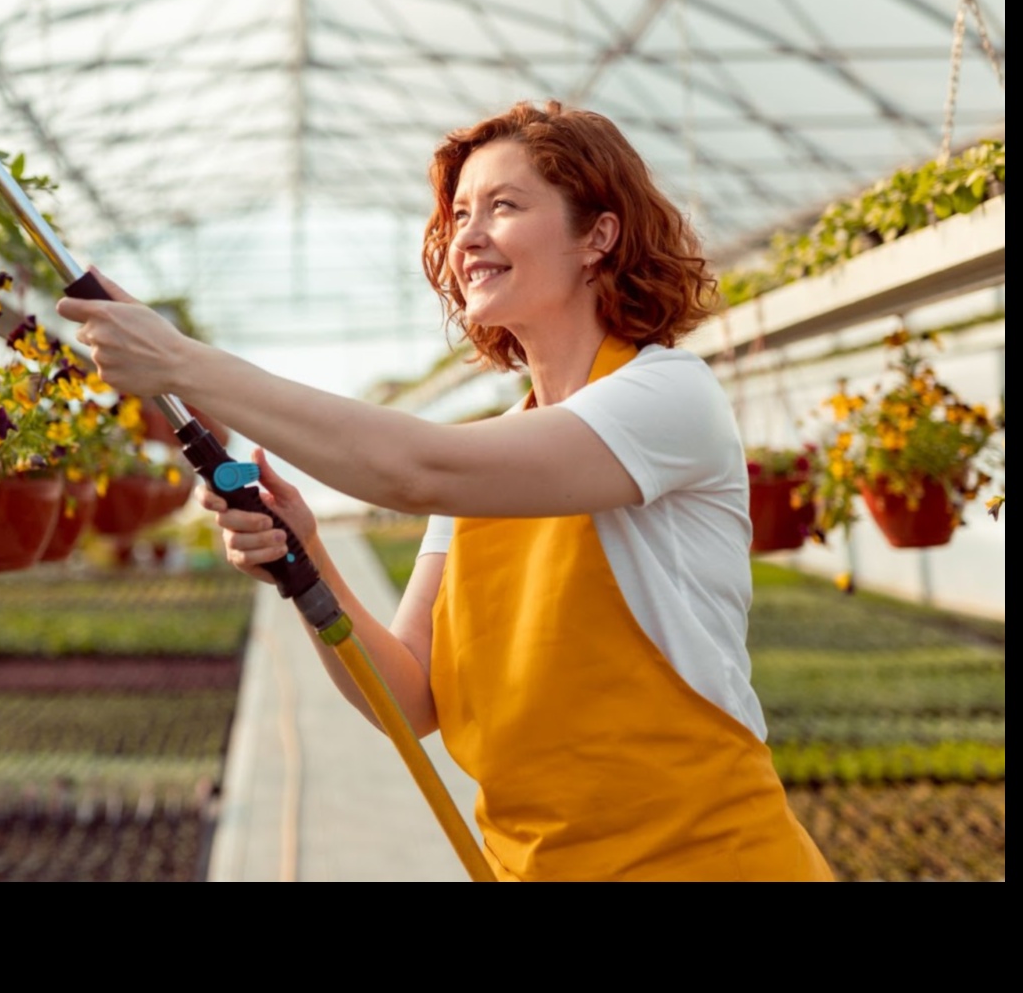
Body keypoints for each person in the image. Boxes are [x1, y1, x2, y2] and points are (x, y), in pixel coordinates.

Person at [57, 99, 833, 882]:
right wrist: (309, 559)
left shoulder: (667, 396)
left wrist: (181, 363)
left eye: (504, 206)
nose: (467, 236)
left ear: (598, 235)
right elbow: (407, 699)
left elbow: (416, 466)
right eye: (460, 213)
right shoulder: (493, 451)